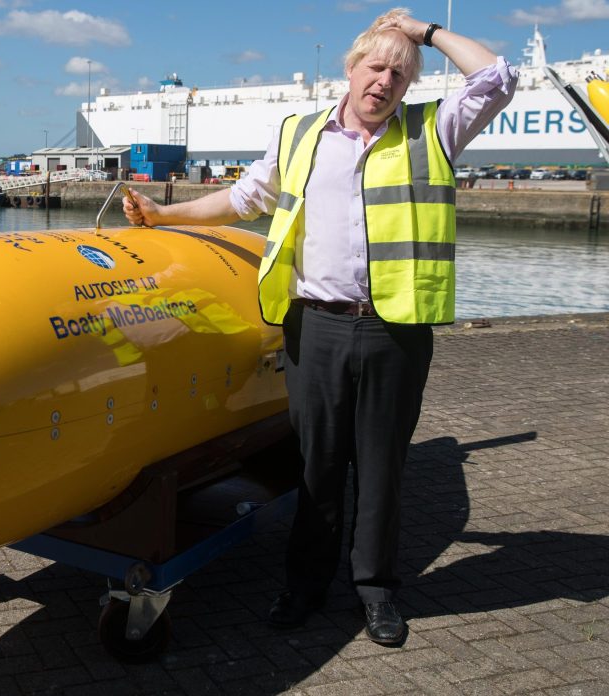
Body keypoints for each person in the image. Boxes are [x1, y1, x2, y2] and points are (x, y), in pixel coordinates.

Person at [123, 8, 517, 645]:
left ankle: (377, 592)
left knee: (383, 468)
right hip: (316, 327)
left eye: (399, 72)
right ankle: (305, 586)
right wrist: (167, 215)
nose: (384, 80)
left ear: (409, 84)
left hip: (396, 330)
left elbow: (497, 78)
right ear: (350, 68)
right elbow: (242, 198)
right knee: (318, 468)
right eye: (375, 65)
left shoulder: (433, 130)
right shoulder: (300, 135)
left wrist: (425, 33)